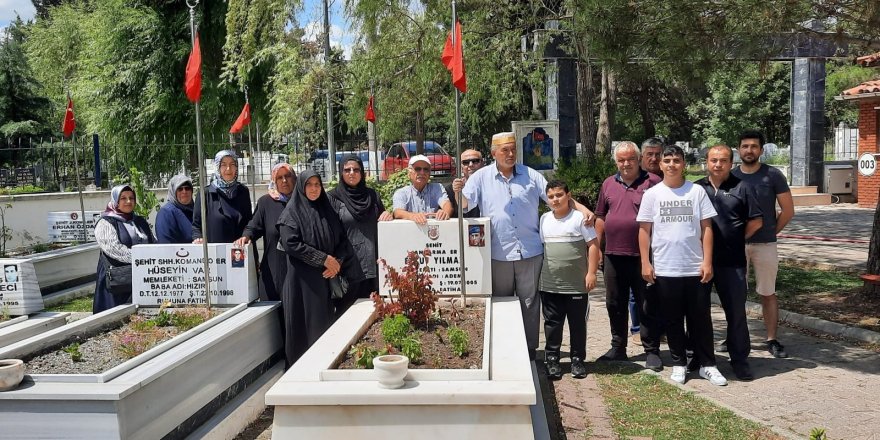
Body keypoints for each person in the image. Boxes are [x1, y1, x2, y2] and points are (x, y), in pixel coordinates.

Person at [460, 131, 595, 360]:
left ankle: (530, 349)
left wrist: (582, 208)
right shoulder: (480, 178)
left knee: (530, 304)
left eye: (513, 149)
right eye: (505, 150)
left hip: (530, 253)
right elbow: (464, 205)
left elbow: (555, 197)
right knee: (501, 304)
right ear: (494, 153)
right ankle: (502, 348)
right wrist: (457, 192)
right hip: (497, 253)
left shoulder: (531, 175)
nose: (510, 153)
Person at [637, 146, 727, 386]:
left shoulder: (696, 192)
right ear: (661, 164)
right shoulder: (652, 194)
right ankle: (679, 364)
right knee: (673, 320)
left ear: (684, 164)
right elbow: (644, 231)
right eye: (667, 160)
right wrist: (646, 262)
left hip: (695, 267)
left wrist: (707, 261)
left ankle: (708, 365)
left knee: (701, 319)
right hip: (666, 268)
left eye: (676, 160)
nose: (671, 164)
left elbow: (707, 228)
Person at [696, 144, 764, 381]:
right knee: (698, 313)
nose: (718, 164)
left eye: (723, 160)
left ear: (731, 163)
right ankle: (700, 356)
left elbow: (756, 222)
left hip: (732, 263)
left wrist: (736, 238)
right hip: (700, 262)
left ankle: (739, 360)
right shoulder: (696, 189)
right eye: (713, 160)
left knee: (735, 314)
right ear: (706, 161)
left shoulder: (742, 188)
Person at [594, 141, 663, 369]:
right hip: (614, 254)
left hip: (643, 256)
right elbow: (601, 217)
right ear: (616, 162)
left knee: (647, 303)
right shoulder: (608, 184)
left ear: (638, 159)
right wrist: (598, 249)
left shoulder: (653, 183)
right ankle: (618, 347)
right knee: (615, 302)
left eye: (630, 159)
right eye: (621, 160)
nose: (626, 164)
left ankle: (651, 349)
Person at [277, 170, 354, 366]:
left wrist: (336, 262)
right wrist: (323, 259)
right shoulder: (291, 212)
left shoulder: (327, 210)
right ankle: (298, 378)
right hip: (301, 285)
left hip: (324, 282)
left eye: (317, 184)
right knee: (302, 332)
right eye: (309, 184)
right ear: (301, 187)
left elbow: (343, 241)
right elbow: (291, 244)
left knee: (323, 329)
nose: (314, 189)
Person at [732, 130, 795, 359]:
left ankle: (771, 339)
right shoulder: (730, 176)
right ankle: (736, 338)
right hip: (736, 246)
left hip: (765, 245)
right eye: (745, 146)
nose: (749, 150)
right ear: (738, 149)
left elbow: (788, 211)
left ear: (761, 149)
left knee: (767, 293)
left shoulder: (773, 175)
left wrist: (771, 231)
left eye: (754, 146)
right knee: (736, 294)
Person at [540, 179, 600, 380]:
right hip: (550, 285)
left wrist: (591, 273)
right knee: (552, 324)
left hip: (576, 285)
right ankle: (553, 359)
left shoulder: (580, 219)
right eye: (550, 196)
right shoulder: (544, 219)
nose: (555, 199)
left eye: (559, 195)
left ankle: (577, 360)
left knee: (577, 324)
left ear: (568, 195)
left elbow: (593, 246)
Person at [328, 155, 393, 317]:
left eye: (356, 169)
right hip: (348, 269)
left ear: (362, 172)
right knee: (347, 317)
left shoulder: (372, 196)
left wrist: (388, 214)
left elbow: (382, 220)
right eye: (347, 170)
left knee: (374, 316)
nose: (352, 173)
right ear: (341, 173)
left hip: (373, 266)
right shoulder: (332, 198)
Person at [235, 163, 296, 301]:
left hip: (298, 271)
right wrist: (246, 236)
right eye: (279, 177)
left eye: (287, 176)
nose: (284, 180)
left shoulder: (302, 201)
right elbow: (253, 226)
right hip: (273, 269)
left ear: (294, 178)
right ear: (274, 180)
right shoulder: (265, 203)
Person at [93, 185, 156, 313]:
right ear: (115, 200)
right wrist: (142, 259)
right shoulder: (106, 222)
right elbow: (114, 249)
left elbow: (153, 241)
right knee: (115, 316)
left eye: (131, 198)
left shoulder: (139, 221)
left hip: (141, 274)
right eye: (123, 198)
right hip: (118, 278)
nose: (128, 201)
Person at [193, 150, 253, 243]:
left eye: (232, 164)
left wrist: (247, 235)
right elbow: (196, 226)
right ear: (217, 167)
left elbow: (249, 221)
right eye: (223, 165)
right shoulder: (206, 193)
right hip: (215, 254)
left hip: (239, 252)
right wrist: (198, 238)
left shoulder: (242, 191)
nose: (228, 169)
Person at [392, 155, 452, 224]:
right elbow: (397, 212)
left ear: (429, 174)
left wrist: (445, 212)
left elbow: (447, 205)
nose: (422, 172)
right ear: (409, 173)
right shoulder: (401, 193)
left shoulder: (437, 188)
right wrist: (413, 216)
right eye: (417, 169)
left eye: (426, 169)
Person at [156, 175, 194, 244]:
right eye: (180, 189)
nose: (184, 191)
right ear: (173, 191)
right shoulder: (166, 213)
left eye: (187, 188)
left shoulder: (195, 210)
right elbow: (165, 244)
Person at [447, 149, 483, 217]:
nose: (471, 164)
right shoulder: (451, 190)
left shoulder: (491, 185)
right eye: (466, 162)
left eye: (475, 161)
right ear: (461, 166)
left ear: (482, 162)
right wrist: (457, 192)